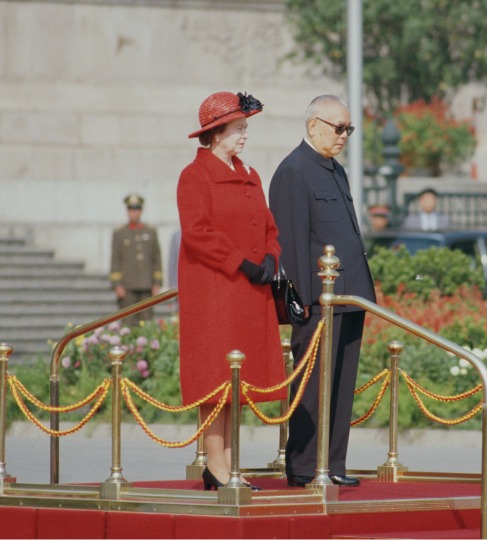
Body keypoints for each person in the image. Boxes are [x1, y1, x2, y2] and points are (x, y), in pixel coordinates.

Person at [177, 91, 285, 491]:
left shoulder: (250, 174)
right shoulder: (195, 175)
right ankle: (216, 465)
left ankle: (225, 466)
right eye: (239, 129)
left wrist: (271, 259)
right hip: (216, 293)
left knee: (236, 383)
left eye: (244, 129)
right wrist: (243, 262)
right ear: (216, 133)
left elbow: (269, 227)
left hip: (247, 290)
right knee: (216, 380)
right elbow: (198, 234)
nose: (244, 136)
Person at [269, 95, 376, 488]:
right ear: (314, 125)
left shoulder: (335, 170)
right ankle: (303, 466)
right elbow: (291, 241)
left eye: (349, 128)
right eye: (339, 128)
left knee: (341, 385)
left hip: (348, 295)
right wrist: (299, 301)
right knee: (313, 386)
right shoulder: (294, 171)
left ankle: (332, 463)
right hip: (318, 300)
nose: (344, 136)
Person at [110, 194, 163, 326]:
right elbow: (115, 259)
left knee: (146, 323)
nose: (134, 213)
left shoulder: (150, 232)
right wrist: (117, 284)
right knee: (127, 322)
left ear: (141, 211)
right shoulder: (120, 233)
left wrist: (157, 282)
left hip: (146, 284)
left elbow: (156, 258)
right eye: (131, 210)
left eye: (137, 210)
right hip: (127, 285)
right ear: (127, 211)